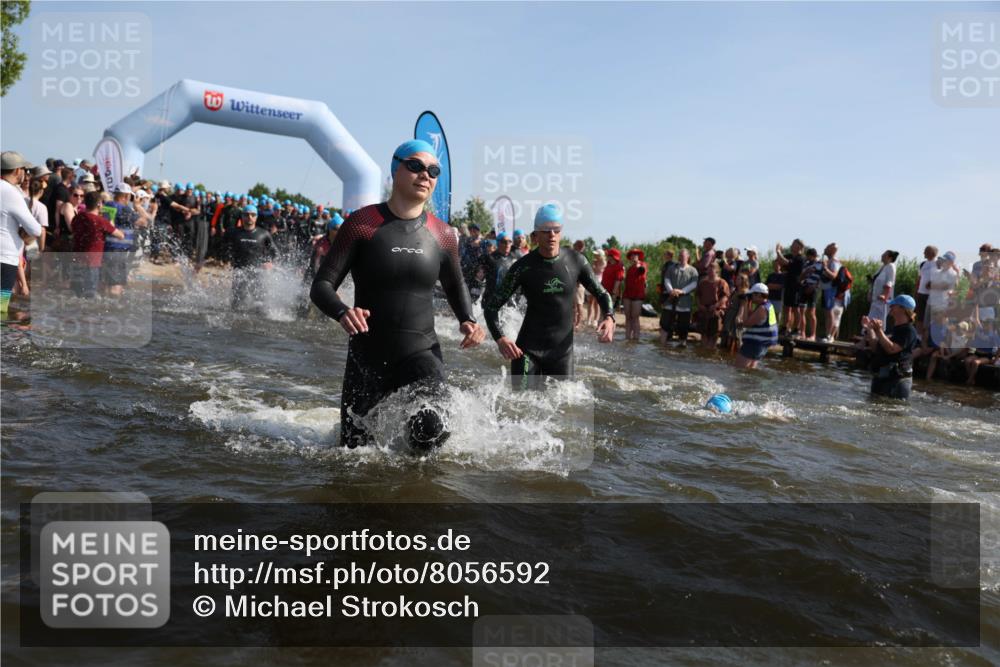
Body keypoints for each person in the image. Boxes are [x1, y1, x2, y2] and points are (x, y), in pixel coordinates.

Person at [310, 139, 485, 449]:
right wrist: (342, 311)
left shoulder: (443, 235)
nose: (425, 175)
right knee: (352, 454)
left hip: (421, 354)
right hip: (367, 357)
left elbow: (456, 285)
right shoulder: (362, 224)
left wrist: (468, 320)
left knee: (433, 429)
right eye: (415, 166)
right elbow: (322, 286)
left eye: (433, 170)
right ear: (395, 170)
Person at [484, 204, 614, 390]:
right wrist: (501, 339)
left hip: (562, 354)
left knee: (563, 412)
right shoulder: (523, 267)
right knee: (519, 409)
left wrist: (609, 317)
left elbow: (601, 293)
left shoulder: (576, 261)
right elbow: (491, 307)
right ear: (535, 236)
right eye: (546, 231)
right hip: (527, 352)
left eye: (556, 230)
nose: (552, 235)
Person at [1, 152, 43, 314]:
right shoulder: (12, 193)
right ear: (17, 170)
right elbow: (35, 229)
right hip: (5, 260)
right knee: (1, 309)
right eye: (25, 170)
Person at [863, 294, 919, 399]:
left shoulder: (909, 330)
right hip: (882, 376)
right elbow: (876, 347)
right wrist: (870, 329)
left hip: (897, 380)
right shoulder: (893, 328)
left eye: (894, 305)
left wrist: (878, 330)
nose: (890, 307)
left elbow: (891, 349)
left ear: (903, 309)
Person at [71, 190, 125, 298]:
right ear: (99, 204)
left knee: (77, 295)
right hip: (92, 263)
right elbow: (120, 236)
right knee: (90, 296)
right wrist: (111, 224)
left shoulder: (77, 218)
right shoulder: (101, 221)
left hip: (76, 260)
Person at [229, 205, 275, 310]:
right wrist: (229, 258)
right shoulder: (234, 232)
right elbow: (223, 247)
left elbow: (275, 252)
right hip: (239, 272)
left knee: (260, 305)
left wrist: (270, 262)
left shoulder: (263, 234)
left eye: (252, 215)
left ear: (256, 217)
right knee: (236, 305)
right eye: (246, 215)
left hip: (257, 273)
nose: (249, 217)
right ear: (242, 216)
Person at [103, 183, 138, 297]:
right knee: (116, 285)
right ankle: (112, 310)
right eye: (129, 197)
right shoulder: (124, 209)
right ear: (125, 196)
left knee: (109, 283)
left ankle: (104, 308)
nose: (130, 199)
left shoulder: (107, 205)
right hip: (116, 251)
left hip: (110, 250)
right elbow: (143, 221)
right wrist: (138, 207)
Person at [733, 283, 779, 369]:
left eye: (752, 295)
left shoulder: (762, 309)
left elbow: (746, 323)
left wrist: (744, 305)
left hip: (754, 344)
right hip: (761, 344)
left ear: (758, 295)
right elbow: (753, 318)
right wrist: (748, 304)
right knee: (749, 371)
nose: (751, 297)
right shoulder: (768, 305)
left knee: (738, 369)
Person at [659, 248, 699, 346]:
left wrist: (682, 291)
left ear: (688, 257)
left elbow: (694, 284)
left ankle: (682, 347)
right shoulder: (671, 268)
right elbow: (666, 279)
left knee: (683, 327)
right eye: (680, 255)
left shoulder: (693, 270)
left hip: (684, 303)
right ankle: (662, 346)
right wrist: (671, 291)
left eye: (683, 255)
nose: (681, 257)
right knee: (665, 325)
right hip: (670, 301)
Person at [774, 239, 805, 337]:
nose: (791, 246)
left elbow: (786, 262)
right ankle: (785, 327)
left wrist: (778, 251)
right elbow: (779, 261)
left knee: (796, 308)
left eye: (793, 244)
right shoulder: (791, 256)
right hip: (788, 284)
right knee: (786, 307)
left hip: (796, 286)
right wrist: (780, 253)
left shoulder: (800, 258)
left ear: (799, 247)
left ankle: (796, 329)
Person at [481, 232, 517, 313]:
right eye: (504, 242)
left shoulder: (514, 259)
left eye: (509, 241)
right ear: (498, 243)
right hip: (491, 299)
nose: (507, 244)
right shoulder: (489, 258)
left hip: (508, 300)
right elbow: (479, 277)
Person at [696, 261, 729, 349]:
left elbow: (725, 297)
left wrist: (716, 305)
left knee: (714, 334)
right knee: (703, 334)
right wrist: (700, 305)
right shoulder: (702, 282)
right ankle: (704, 353)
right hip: (704, 311)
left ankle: (710, 352)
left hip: (716, 312)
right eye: (709, 268)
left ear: (717, 270)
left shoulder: (722, 282)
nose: (710, 270)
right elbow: (698, 296)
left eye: (713, 268)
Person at [866, 249, 899, 327]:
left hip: (883, 300)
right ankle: (868, 336)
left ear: (890, 258)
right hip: (876, 298)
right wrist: (870, 292)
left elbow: (890, 282)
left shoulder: (891, 266)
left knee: (878, 319)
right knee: (871, 318)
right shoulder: (882, 267)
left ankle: (876, 337)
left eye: (884, 255)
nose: (882, 256)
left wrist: (884, 295)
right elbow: (875, 281)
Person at [817, 243, 842, 342]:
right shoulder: (829, 261)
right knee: (827, 312)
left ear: (832, 250)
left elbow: (834, 276)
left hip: (830, 289)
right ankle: (827, 334)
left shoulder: (834, 261)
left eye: (827, 247)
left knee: (830, 311)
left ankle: (829, 336)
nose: (824, 248)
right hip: (825, 289)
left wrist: (825, 268)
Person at [623, 248, 647, 341]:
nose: (633, 257)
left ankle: (636, 339)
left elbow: (642, 270)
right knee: (628, 317)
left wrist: (638, 265)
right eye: (632, 255)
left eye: (635, 255)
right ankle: (627, 338)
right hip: (627, 294)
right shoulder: (629, 268)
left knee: (635, 317)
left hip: (638, 295)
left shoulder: (643, 265)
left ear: (638, 256)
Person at [915, 245, 939, 336]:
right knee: (919, 317)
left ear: (932, 253)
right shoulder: (923, 264)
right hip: (921, 294)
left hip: (932, 295)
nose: (923, 253)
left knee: (929, 318)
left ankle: (928, 338)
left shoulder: (938, 263)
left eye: (925, 251)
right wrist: (916, 293)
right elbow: (919, 279)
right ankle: (919, 337)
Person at [586, 248, 606, 326]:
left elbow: (599, 271)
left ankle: (595, 320)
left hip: (599, 281)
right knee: (590, 301)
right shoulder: (594, 261)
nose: (595, 255)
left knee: (596, 302)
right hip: (592, 279)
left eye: (597, 254)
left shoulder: (603, 262)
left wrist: (594, 266)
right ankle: (589, 319)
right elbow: (591, 270)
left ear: (600, 255)